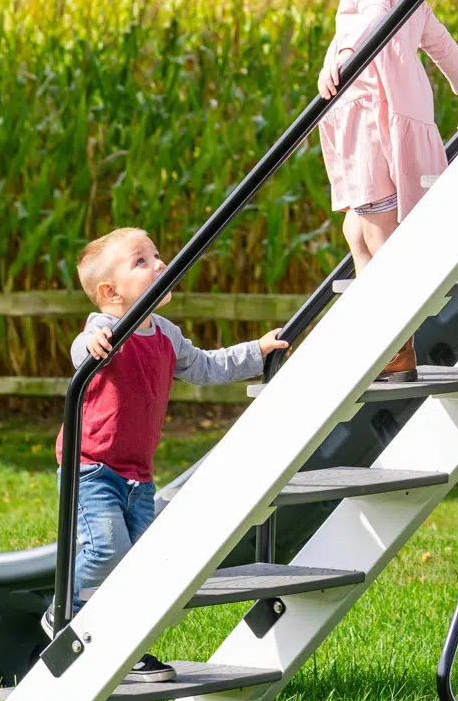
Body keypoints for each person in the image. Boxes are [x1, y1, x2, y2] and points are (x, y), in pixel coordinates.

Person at [56, 226, 287, 660]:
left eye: (157, 255)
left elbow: (205, 366)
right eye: (141, 262)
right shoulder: (106, 328)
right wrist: (91, 344)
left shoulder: (166, 335)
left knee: (140, 567)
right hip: (91, 467)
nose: (160, 264)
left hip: (137, 475)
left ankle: (123, 647)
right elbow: (79, 349)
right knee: (108, 549)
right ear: (111, 292)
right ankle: (63, 610)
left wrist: (256, 352)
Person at [306, 0, 458, 379]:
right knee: (359, 231)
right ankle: (382, 333)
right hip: (391, 120)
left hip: (370, 122)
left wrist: (341, 52)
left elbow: (373, 16)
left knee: (376, 232)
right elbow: (437, 39)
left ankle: (390, 340)